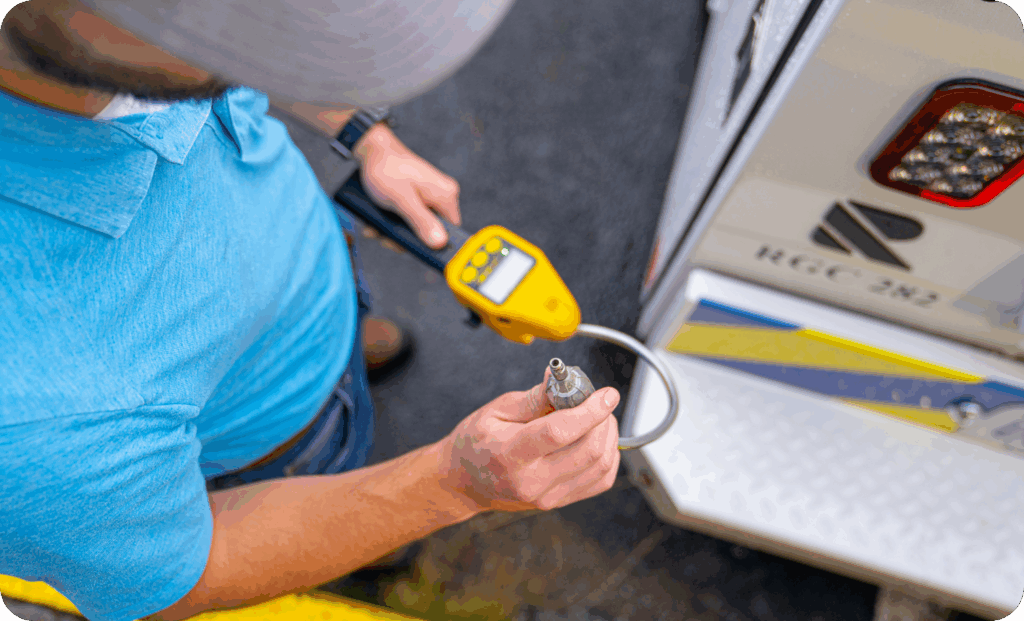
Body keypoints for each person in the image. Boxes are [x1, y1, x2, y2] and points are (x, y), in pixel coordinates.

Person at [0, 2, 623, 621]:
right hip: (285, 444)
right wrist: (448, 483)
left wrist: (368, 138)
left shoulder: (106, 41)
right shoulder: (34, 431)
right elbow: (190, 574)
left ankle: (351, 338)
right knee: (352, 480)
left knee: (350, 323)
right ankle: (372, 549)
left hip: (315, 270)